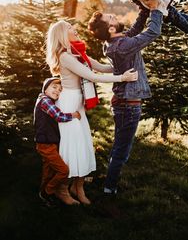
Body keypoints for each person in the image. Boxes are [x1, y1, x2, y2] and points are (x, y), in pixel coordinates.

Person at [88, 0, 167, 216]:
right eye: (111, 18)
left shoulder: (115, 42)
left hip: (125, 104)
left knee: (120, 148)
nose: (115, 16)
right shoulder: (121, 46)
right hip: (127, 106)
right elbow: (151, 34)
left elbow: (134, 30)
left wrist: (143, 10)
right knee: (121, 151)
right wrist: (158, 11)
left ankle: (109, 183)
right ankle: (108, 191)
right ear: (111, 28)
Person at [45, 20, 138, 205]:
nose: (75, 30)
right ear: (63, 35)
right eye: (71, 29)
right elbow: (92, 76)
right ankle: (62, 189)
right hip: (69, 104)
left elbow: (101, 68)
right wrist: (122, 77)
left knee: (83, 144)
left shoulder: (78, 53)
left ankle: (78, 188)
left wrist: (122, 63)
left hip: (78, 104)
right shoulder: (65, 56)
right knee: (72, 147)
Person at [34, 77, 81, 207]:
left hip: (49, 142)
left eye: (60, 90)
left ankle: (43, 194)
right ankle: (48, 191)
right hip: (45, 144)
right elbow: (59, 116)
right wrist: (74, 115)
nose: (57, 91)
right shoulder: (45, 101)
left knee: (48, 170)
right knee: (63, 171)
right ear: (45, 88)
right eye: (54, 87)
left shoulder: (47, 100)